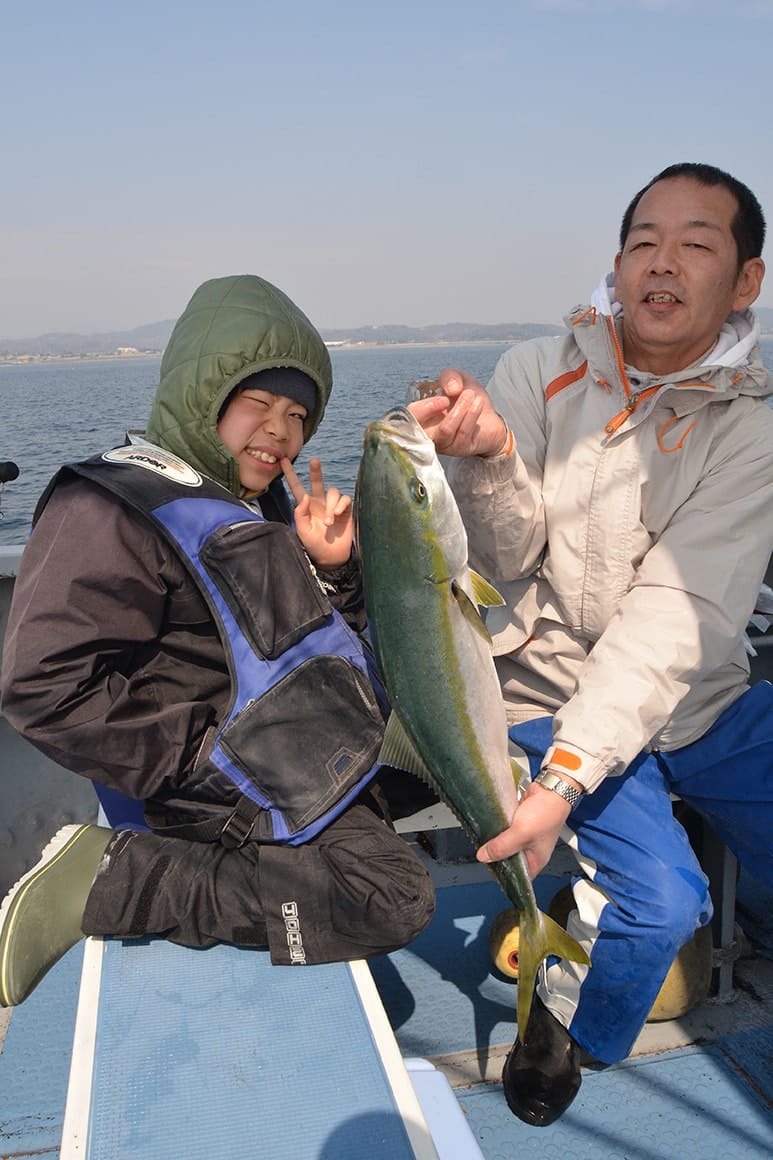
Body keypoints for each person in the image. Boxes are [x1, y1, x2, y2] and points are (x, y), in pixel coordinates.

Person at [409, 162, 773, 1127]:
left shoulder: (756, 416)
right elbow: (505, 553)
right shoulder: (540, 369)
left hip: (700, 691)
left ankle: (568, 888)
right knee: (662, 904)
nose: (662, 263)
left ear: (746, 281)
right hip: (550, 688)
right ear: (614, 267)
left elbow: (678, 614)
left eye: (696, 243)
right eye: (642, 242)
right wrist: (483, 461)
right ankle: (573, 1032)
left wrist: (560, 787)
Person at [0, 273, 435, 1008]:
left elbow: (306, 647)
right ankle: (113, 879)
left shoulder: (246, 501)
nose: (281, 430)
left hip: (291, 751)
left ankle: (320, 845)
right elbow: (41, 685)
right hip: (207, 787)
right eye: (258, 403)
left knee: (454, 770)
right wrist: (201, 764)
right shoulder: (109, 505)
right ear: (202, 395)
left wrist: (337, 572)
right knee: (391, 899)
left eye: (298, 413)